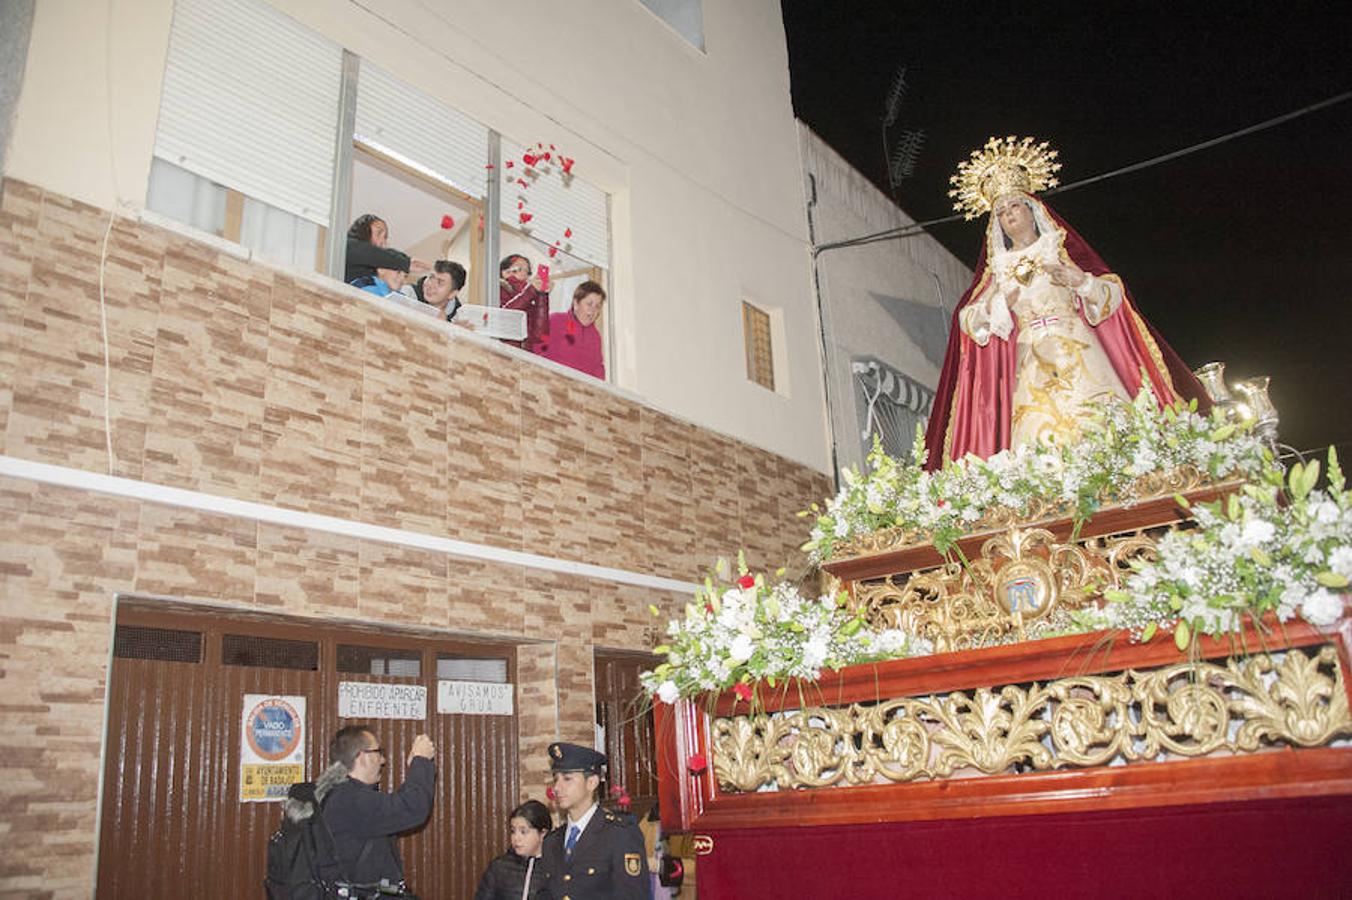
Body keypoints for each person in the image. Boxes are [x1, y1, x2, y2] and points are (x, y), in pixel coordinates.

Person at [924, 136, 1208, 469]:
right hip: (1030, 359)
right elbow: (968, 320)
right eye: (1000, 212)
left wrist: (1080, 281)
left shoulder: (1058, 250)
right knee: (1039, 440)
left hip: (1076, 346)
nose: (1008, 215)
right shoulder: (998, 269)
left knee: (1101, 423)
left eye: (1014, 206)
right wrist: (999, 304)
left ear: (1032, 209)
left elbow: (1112, 295)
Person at [319, 725, 436, 894]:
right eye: (378, 752)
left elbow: (396, 809)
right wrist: (422, 760)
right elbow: (412, 807)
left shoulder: (344, 796)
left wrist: (416, 766)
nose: (383, 760)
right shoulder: (350, 801)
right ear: (361, 757)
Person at [539, 742, 648, 900]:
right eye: (556, 779)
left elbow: (632, 895)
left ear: (592, 783)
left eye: (567, 779)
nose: (557, 787)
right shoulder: (552, 841)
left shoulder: (619, 833)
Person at [472, 799, 552, 900]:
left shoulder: (555, 868)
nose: (516, 838)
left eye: (523, 832)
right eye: (513, 831)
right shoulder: (499, 867)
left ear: (543, 833)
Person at [535, 281, 606, 379]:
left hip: (582, 387)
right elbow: (538, 351)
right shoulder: (555, 321)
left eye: (597, 306)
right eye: (589, 304)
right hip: (552, 381)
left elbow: (598, 369)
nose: (593, 310)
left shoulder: (595, 336)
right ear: (576, 303)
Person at [499, 254, 550, 351]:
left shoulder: (530, 295)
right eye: (518, 267)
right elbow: (505, 315)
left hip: (525, 351)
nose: (522, 272)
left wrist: (542, 295)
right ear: (504, 272)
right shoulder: (497, 288)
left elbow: (540, 335)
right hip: (504, 350)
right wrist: (531, 290)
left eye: (526, 269)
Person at [345, 214, 414, 285]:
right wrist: (407, 263)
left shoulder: (371, 272)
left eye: (385, 237)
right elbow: (367, 252)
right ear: (364, 230)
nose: (382, 241)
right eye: (379, 233)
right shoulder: (348, 245)